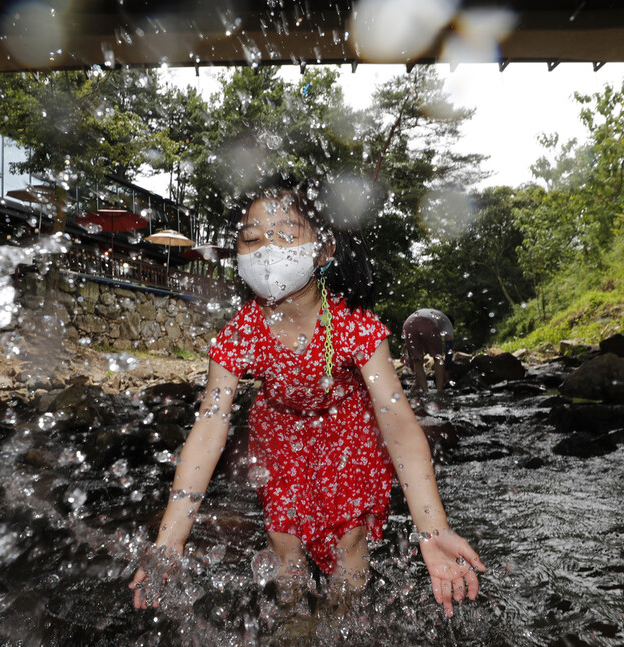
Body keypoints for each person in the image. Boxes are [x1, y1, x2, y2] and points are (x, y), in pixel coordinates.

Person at [129, 176, 484, 621]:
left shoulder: (353, 324)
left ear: (324, 249)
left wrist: (432, 527)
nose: (266, 251)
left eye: (284, 235)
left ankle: (348, 621)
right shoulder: (242, 332)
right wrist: (170, 540)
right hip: (279, 435)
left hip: (348, 429)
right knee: (282, 544)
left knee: (349, 541)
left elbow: (397, 423)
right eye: (251, 238)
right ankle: (291, 624)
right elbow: (208, 428)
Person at [402, 309, 455, 395]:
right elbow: (449, 348)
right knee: (438, 358)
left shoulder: (435, 315)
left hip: (407, 324)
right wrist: (447, 369)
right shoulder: (447, 322)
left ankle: (426, 393)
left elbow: (411, 349)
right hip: (427, 325)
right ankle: (440, 392)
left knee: (417, 361)